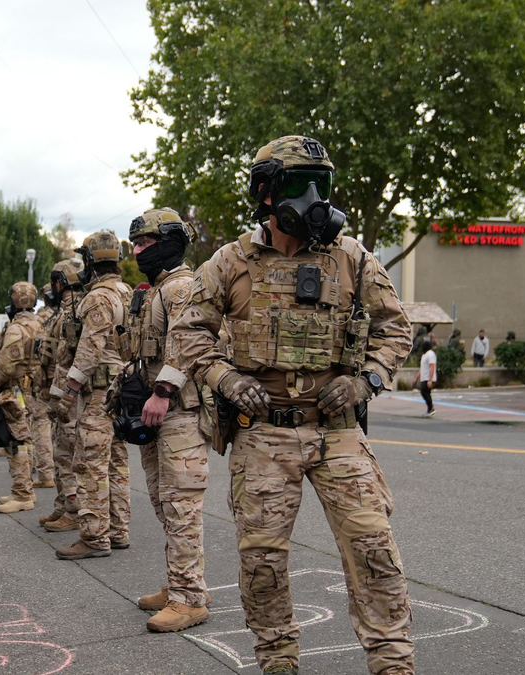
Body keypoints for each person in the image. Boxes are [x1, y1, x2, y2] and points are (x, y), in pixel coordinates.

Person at [154, 136, 414, 675]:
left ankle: (393, 663)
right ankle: (277, 661)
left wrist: (368, 379)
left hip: (337, 430)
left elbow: (395, 329)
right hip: (264, 433)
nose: (314, 197)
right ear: (266, 192)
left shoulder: (352, 258)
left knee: (374, 549)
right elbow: (188, 334)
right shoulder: (232, 262)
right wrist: (224, 377)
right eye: (299, 184)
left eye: (322, 183)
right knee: (263, 561)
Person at [124, 208, 213, 633]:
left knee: (181, 505)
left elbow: (189, 342)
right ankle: (180, 584)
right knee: (164, 502)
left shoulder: (181, 287)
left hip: (179, 412)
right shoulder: (157, 290)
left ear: (170, 242)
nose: (138, 250)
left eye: (145, 242)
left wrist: (163, 390)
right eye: (135, 244)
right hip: (157, 413)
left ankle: (190, 599)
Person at [50, 230, 133, 560]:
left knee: (90, 463)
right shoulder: (126, 292)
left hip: (100, 392)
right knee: (117, 462)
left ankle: (95, 536)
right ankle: (118, 530)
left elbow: (89, 349)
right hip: (122, 388)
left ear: (90, 261)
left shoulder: (98, 297)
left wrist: (68, 392)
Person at [0, 282, 42, 513]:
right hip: (35, 391)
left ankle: (22, 494)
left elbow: (5, 365)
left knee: (17, 443)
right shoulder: (41, 324)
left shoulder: (16, 329)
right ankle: (23, 490)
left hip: (16, 393)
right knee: (27, 441)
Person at [39, 259, 85, 534]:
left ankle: (73, 509)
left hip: (69, 390)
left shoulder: (72, 312)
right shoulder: (66, 311)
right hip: (63, 388)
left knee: (67, 453)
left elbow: (63, 356)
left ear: (61, 282)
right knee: (60, 450)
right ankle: (63, 503)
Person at [28, 285, 57, 489]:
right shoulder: (67, 312)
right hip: (65, 380)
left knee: (40, 424)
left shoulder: (42, 319)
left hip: (45, 380)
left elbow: (37, 351)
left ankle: (46, 472)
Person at [418, 338, 437, 417]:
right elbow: (422, 368)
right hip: (424, 377)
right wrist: (417, 377)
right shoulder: (424, 355)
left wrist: (430, 379)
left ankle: (431, 408)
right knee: (427, 393)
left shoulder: (430, 354)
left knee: (424, 392)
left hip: (428, 378)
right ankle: (430, 409)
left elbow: (432, 367)